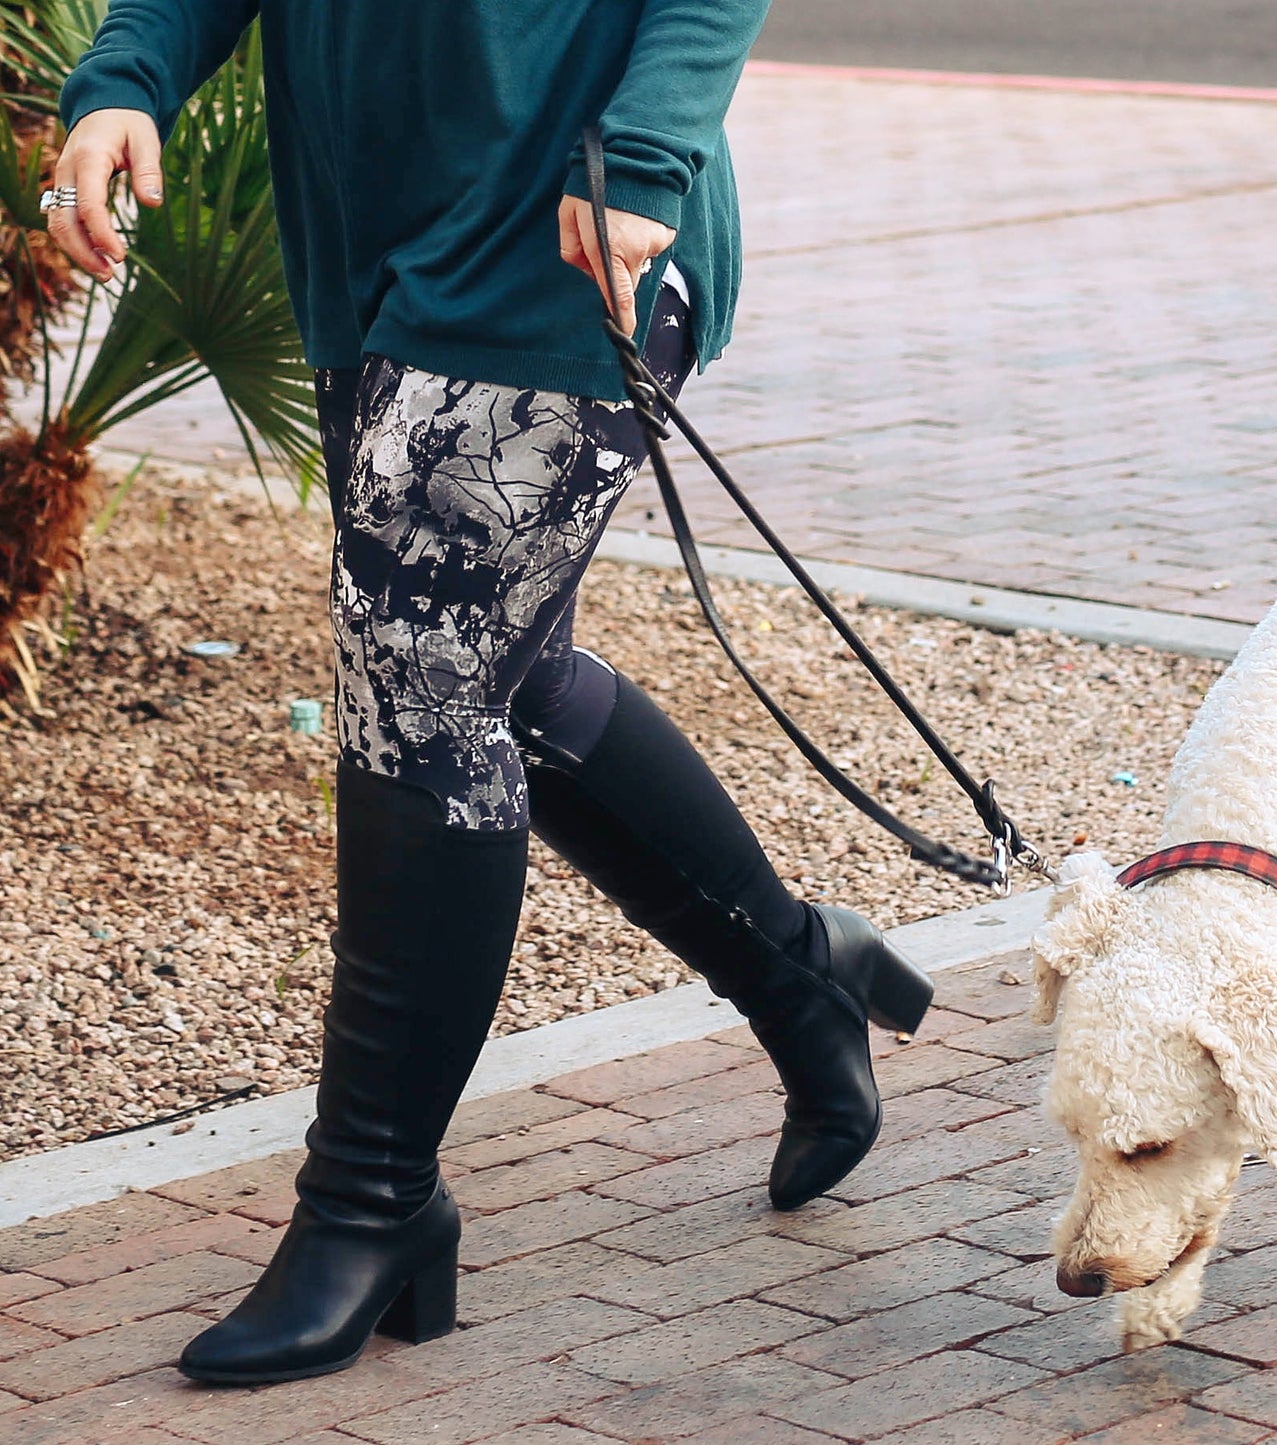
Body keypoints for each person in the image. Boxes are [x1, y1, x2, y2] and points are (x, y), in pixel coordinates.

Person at [47, 0, 933, 1387]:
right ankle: (801, 975)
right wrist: (128, 76)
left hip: (568, 235)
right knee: (499, 687)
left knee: (420, 701)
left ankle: (368, 1202)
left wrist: (645, 160)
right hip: (372, 253)